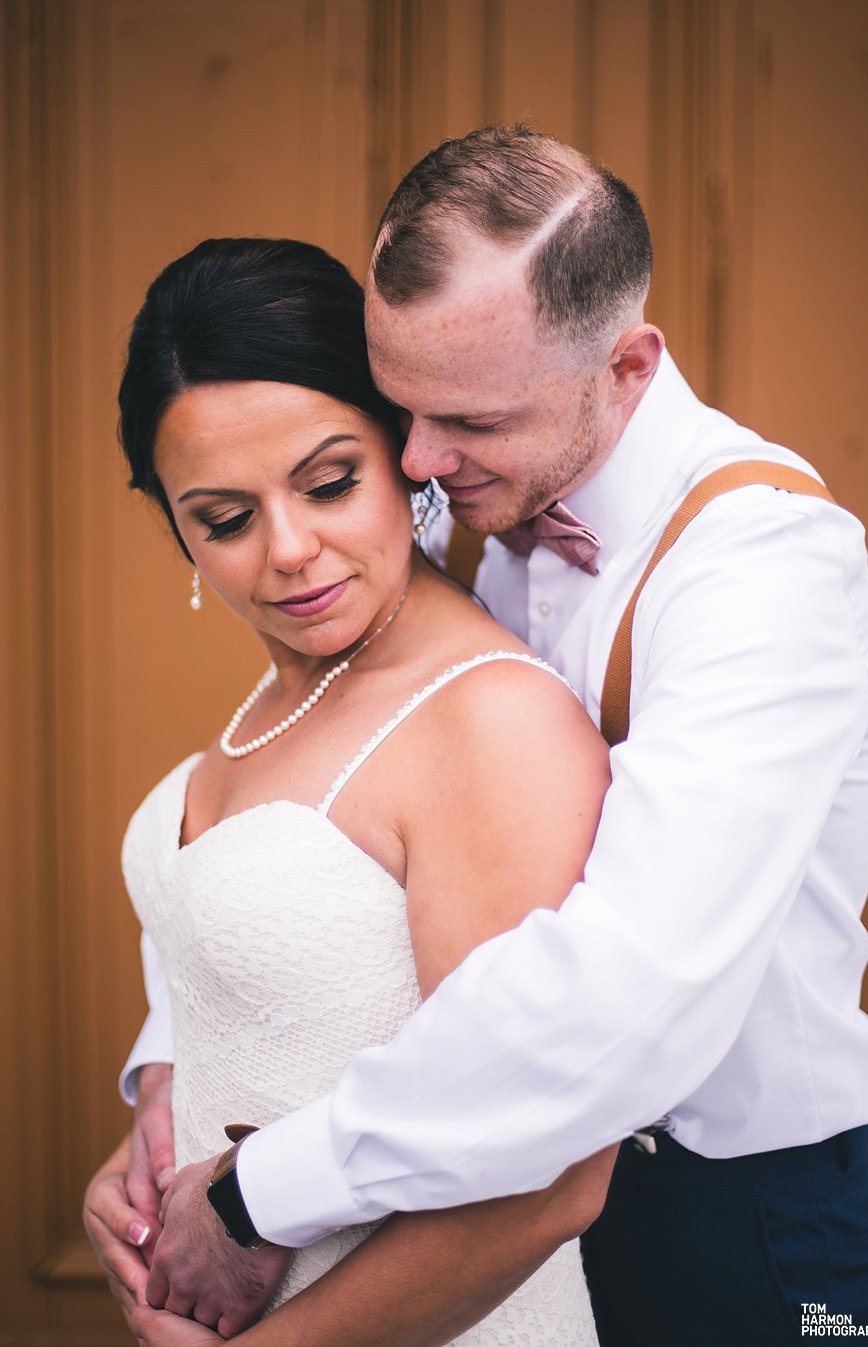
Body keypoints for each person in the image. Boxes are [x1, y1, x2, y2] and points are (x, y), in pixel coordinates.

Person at [92, 125, 868, 1344]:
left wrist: (257, 1194)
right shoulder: (450, 492)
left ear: (626, 367)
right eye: (400, 408)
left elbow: (617, 996)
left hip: (736, 1228)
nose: (417, 460)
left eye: (466, 418)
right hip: (455, 1194)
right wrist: (175, 1086)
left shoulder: (763, 568)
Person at [85, 235, 616, 1345]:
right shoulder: (287, 692)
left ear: (406, 451)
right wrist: (152, 1127)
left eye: (331, 483)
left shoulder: (488, 721)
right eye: (224, 519)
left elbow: (540, 1179)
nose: (289, 550)